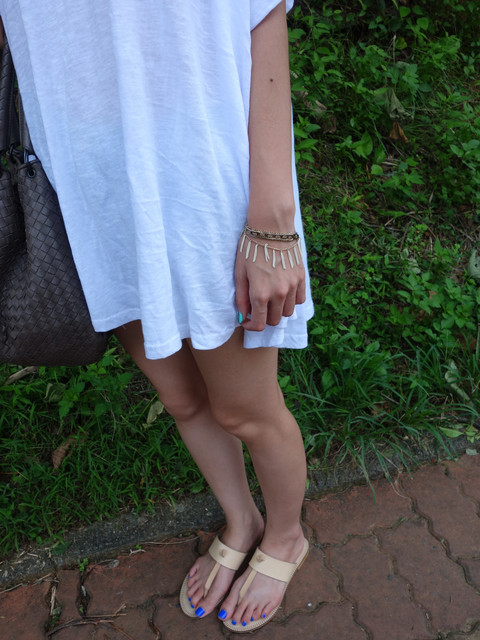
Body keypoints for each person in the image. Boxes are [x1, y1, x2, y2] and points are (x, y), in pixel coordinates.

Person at [0, 0, 314, 632]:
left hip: (201, 178)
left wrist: (274, 217)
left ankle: (286, 536)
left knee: (245, 409)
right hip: (93, 190)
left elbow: (265, 14)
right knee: (181, 398)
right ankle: (242, 519)